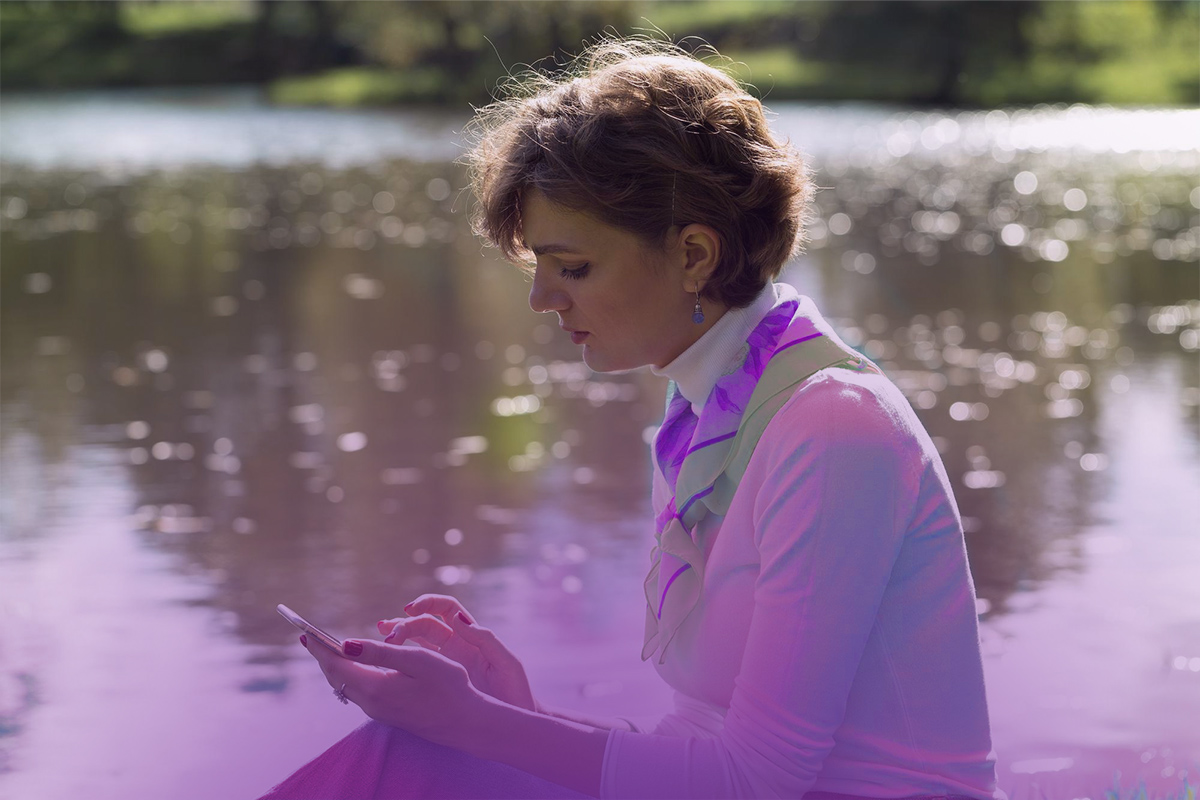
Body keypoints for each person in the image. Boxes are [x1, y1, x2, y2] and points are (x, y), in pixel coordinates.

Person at [259, 35, 1002, 800]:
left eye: (572, 267)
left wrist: (477, 725)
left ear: (693, 255)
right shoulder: (711, 412)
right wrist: (511, 711)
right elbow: (697, 748)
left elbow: (754, 781)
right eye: (538, 267)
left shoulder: (834, 430)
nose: (542, 299)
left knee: (410, 765)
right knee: (409, 756)